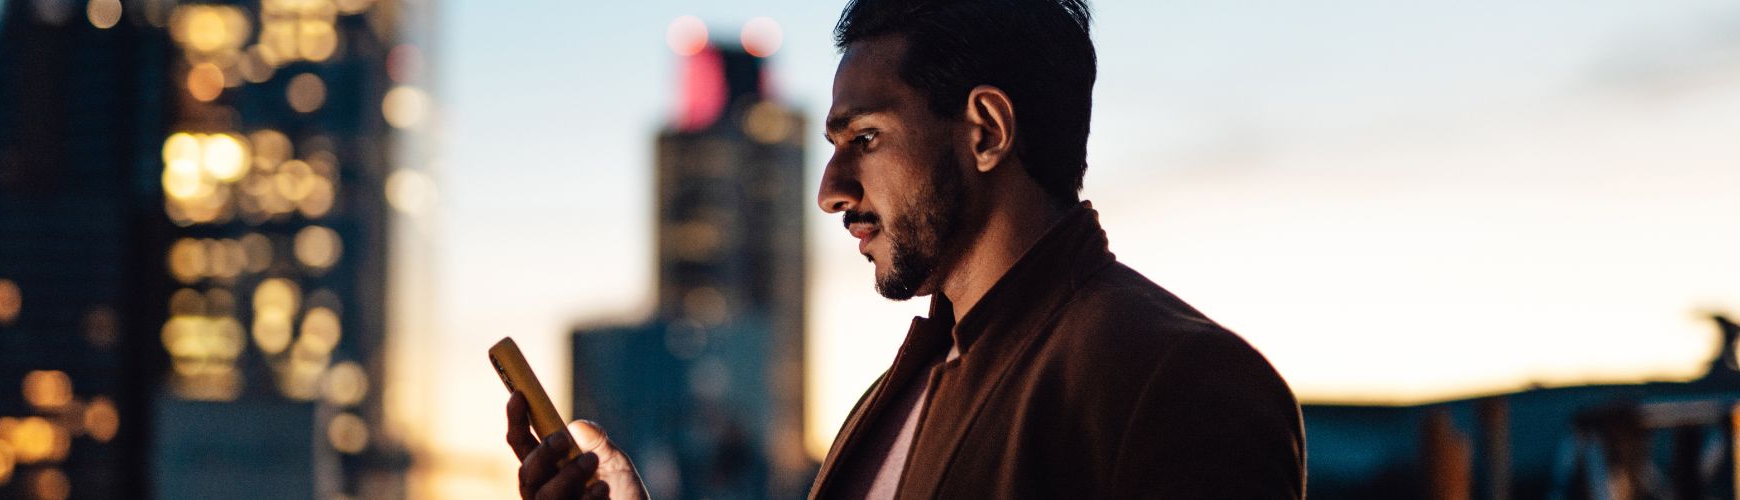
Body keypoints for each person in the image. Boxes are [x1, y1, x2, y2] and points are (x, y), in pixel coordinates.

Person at [506, 0, 1307, 497]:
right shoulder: (895, 398)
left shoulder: (1178, 384)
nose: (830, 190)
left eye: (866, 138)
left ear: (986, 131)